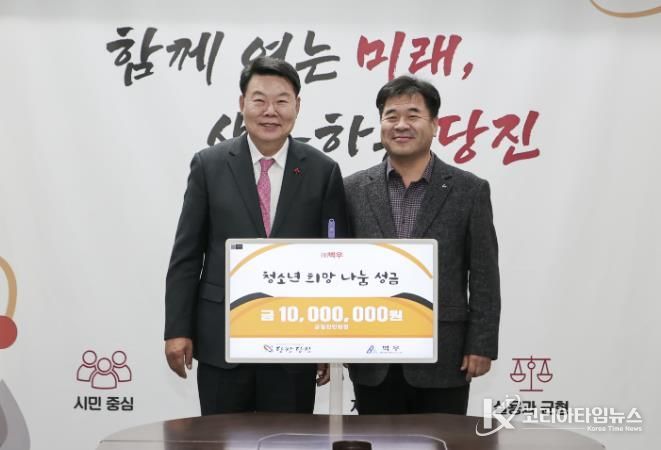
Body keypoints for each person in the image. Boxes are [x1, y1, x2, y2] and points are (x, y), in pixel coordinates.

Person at [164, 56, 347, 415]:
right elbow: (187, 254)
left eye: (282, 101)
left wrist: (327, 340)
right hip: (222, 341)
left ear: (297, 106)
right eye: (259, 100)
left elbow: (333, 258)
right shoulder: (209, 165)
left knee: (289, 438)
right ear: (242, 103)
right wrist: (177, 329)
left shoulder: (322, 171)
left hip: (294, 342)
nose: (270, 111)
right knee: (220, 437)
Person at [344, 75, 500, 415]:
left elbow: (484, 274)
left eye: (413, 115)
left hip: (444, 356)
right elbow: (337, 265)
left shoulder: (469, 190)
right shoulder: (352, 189)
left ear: (434, 125)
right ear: (381, 124)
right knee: (375, 438)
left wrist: (481, 343)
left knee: (443, 439)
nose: (401, 125)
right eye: (391, 116)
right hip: (372, 355)